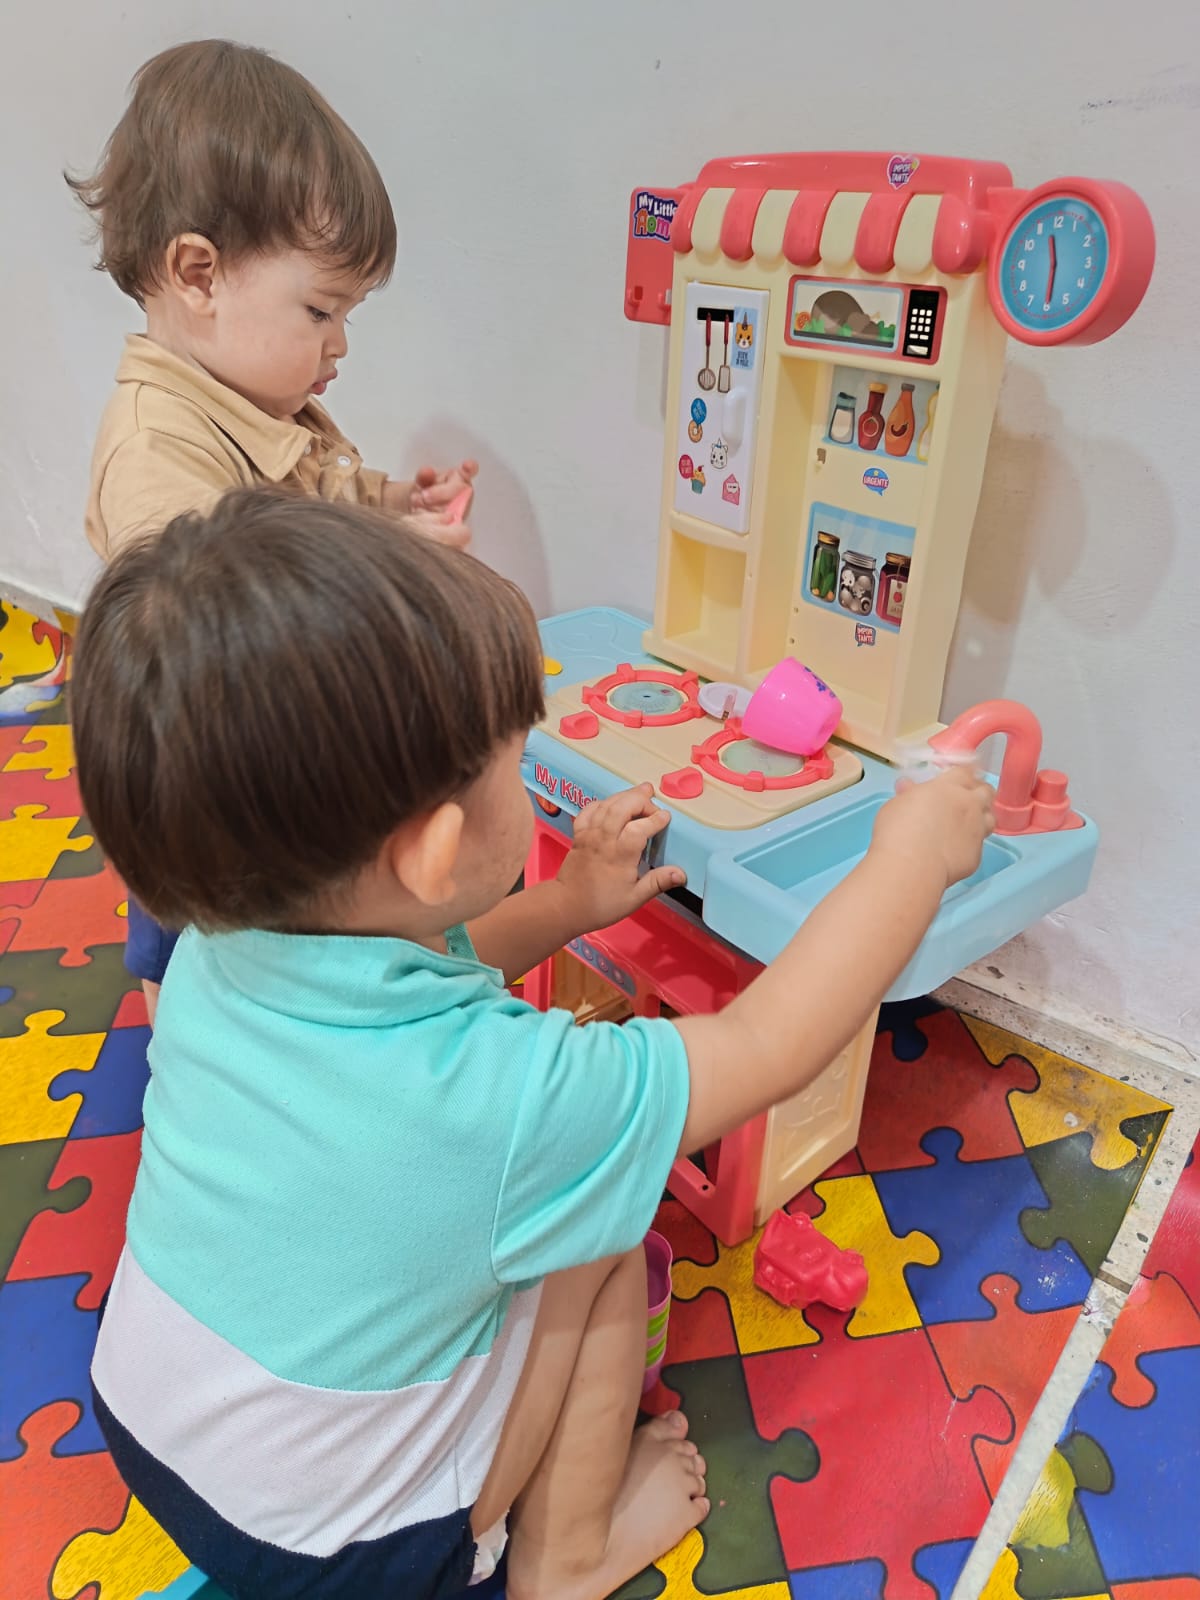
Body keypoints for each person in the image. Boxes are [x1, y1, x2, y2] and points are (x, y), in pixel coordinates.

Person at [71, 490, 995, 1600]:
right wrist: (912, 855)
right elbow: (768, 1040)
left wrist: (568, 906)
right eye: (517, 757)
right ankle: (565, 1560)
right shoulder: (511, 1099)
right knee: (600, 1223)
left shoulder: (224, 946)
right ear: (435, 849)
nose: (528, 769)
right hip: (345, 1556)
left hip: (151, 1427)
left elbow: (440, 955)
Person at [68, 38, 477, 1018]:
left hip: (266, 762)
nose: (340, 343)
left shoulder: (258, 395)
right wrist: (393, 562)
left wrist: (386, 503)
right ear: (199, 274)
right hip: (197, 774)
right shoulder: (156, 449)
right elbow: (224, 623)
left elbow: (312, 489)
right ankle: (191, 1068)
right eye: (323, 309)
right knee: (198, 958)